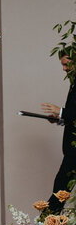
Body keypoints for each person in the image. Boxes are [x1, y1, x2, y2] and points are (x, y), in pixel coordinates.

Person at [41, 52, 76, 212]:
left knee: (60, 189)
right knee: (60, 188)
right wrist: (59, 118)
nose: (64, 69)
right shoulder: (73, 81)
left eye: (66, 64)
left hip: (74, 151)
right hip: (71, 151)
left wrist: (61, 111)